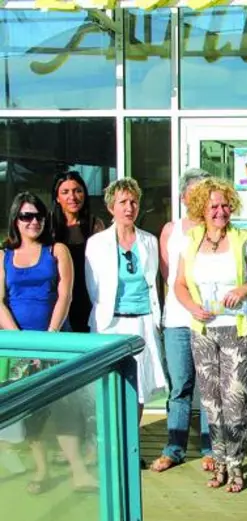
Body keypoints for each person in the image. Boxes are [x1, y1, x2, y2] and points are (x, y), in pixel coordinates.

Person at [0, 192, 97, 493]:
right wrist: (20, 339)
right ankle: (41, 471)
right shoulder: (4, 255)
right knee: (31, 412)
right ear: (15, 220)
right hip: (19, 346)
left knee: (64, 407)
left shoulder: (57, 251)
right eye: (26, 216)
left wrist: (51, 336)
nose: (33, 222)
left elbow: (65, 295)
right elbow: (0, 301)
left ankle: (79, 472)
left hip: (55, 343)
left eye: (38, 216)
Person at [174, 177, 247, 493]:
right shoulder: (191, 241)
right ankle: (220, 463)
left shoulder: (244, 239)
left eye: (225, 205)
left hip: (237, 329)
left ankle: (237, 466)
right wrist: (192, 308)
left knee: (235, 400)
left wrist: (244, 288)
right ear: (202, 207)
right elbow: (179, 285)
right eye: (214, 205)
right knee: (211, 403)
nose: (220, 211)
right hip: (203, 330)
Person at [85, 178, 166, 440]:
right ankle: (109, 443)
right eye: (123, 202)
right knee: (110, 386)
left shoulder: (149, 241)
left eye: (133, 202)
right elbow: (93, 287)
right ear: (111, 208)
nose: (129, 207)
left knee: (139, 386)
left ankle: (130, 443)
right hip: (111, 323)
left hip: (142, 320)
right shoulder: (97, 243)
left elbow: (153, 282)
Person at [151, 168, 214, 474]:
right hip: (177, 318)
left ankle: (210, 448)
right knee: (180, 387)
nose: (202, 197)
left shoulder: (218, 227)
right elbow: (167, 276)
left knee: (209, 387)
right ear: (183, 196)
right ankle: (174, 448)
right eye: (196, 191)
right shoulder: (171, 230)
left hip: (210, 319)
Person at [49, 171, 105, 333]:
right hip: (57, 297)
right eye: (65, 192)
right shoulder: (48, 225)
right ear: (57, 198)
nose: (72, 197)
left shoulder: (95, 225)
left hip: (86, 296)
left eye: (77, 191)